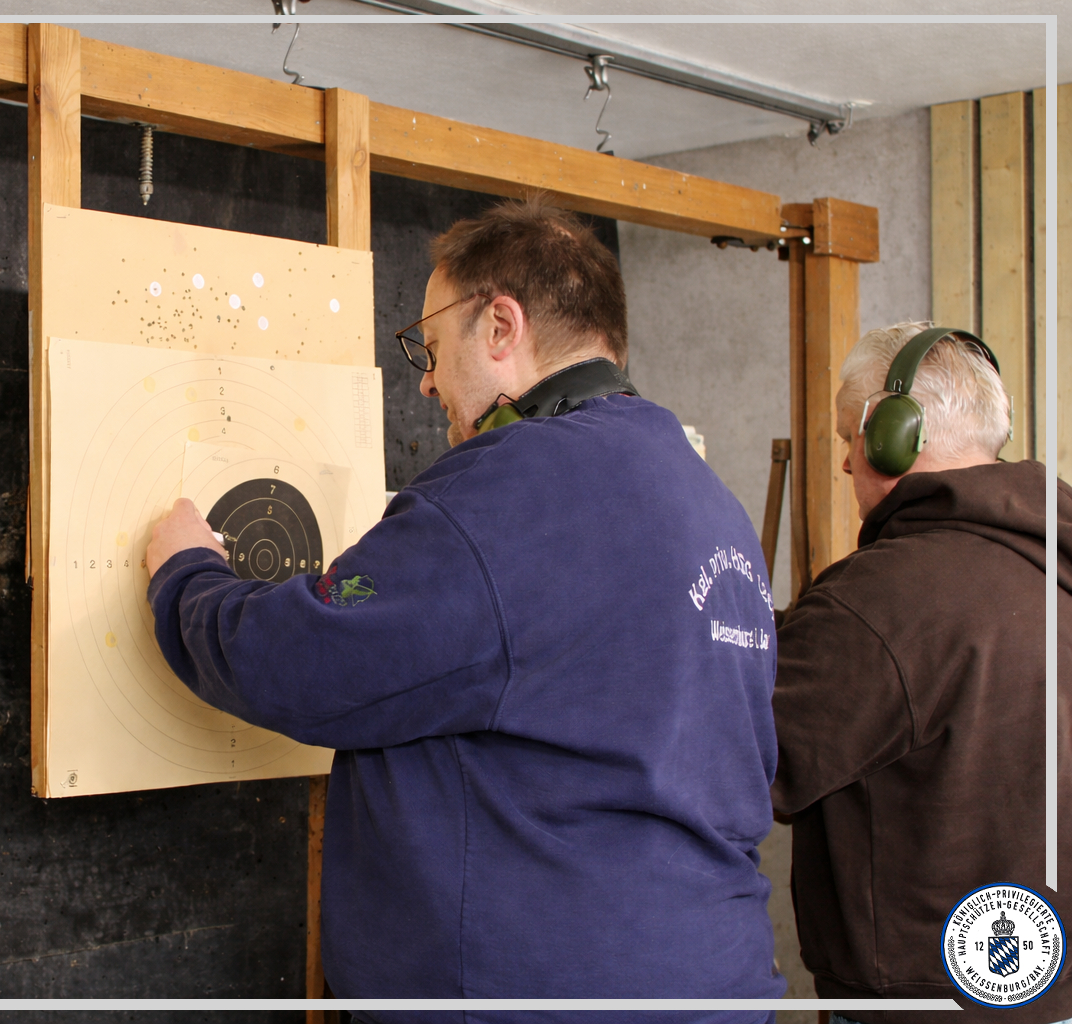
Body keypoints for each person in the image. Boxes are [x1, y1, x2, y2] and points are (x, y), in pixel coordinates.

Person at [145, 197, 785, 1017]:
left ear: (501, 327)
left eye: (434, 346)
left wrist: (187, 576)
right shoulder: (711, 504)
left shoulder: (508, 489)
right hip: (713, 983)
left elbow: (302, 661)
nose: (427, 380)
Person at [771, 321, 1072, 1024]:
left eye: (848, 436)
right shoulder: (1054, 566)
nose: (844, 464)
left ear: (891, 433)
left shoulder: (878, 600)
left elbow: (752, 759)